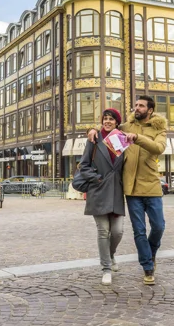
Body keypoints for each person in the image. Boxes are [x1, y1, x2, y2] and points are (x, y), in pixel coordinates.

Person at [88, 95, 167, 286]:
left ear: (150, 110)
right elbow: (107, 128)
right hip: (131, 188)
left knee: (158, 227)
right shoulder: (125, 128)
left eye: (141, 106)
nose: (136, 108)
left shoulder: (159, 129)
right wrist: (92, 129)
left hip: (151, 186)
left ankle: (151, 253)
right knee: (139, 231)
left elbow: (158, 148)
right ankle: (147, 267)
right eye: (135, 105)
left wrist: (138, 138)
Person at [77, 108, 125, 286]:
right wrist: (96, 178)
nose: (107, 121)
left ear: (117, 122)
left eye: (111, 119)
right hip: (98, 190)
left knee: (118, 231)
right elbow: (83, 164)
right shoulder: (95, 138)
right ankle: (106, 268)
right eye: (105, 118)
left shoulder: (121, 138)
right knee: (103, 231)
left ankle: (110, 255)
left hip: (117, 192)